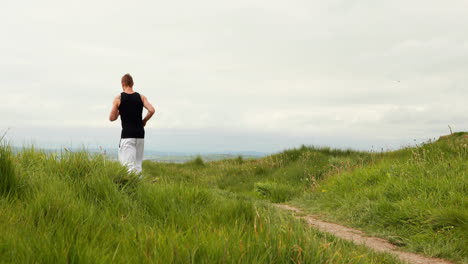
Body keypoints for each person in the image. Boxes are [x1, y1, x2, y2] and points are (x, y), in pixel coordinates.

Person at [109, 73, 155, 175]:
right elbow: (151, 110)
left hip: (127, 136)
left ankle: (130, 190)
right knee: (138, 166)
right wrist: (144, 121)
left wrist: (119, 112)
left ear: (122, 84)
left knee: (128, 168)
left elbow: (112, 118)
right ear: (132, 83)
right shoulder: (141, 97)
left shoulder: (118, 98)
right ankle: (139, 189)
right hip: (140, 135)